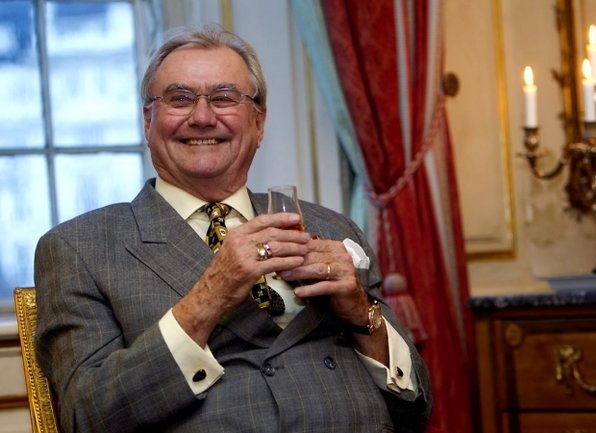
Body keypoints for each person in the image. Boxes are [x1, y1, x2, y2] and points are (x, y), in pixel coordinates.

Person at [34, 23, 432, 433]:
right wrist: (209, 297)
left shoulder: (332, 227)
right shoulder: (80, 248)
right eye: (179, 99)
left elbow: (415, 406)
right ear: (148, 120)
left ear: (259, 122)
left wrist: (361, 315)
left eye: (224, 98)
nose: (202, 117)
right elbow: (88, 417)